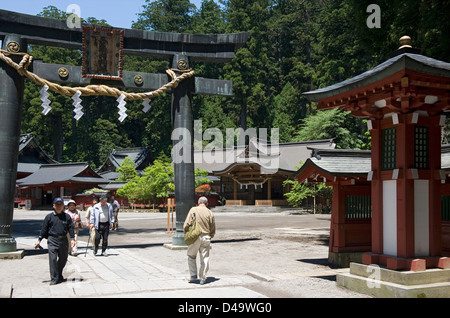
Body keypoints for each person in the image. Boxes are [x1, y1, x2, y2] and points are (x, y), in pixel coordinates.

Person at [35, 197, 76, 285]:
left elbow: (71, 228)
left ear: (63, 206)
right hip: (52, 240)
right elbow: (44, 229)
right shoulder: (49, 217)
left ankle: (58, 273)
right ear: (53, 206)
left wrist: (72, 239)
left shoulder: (67, 217)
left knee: (63, 259)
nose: (58, 206)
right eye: (57, 204)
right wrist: (39, 240)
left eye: (60, 204)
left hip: (64, 240)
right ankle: (54, 278)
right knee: (53, 259)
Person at [183, 196, 216, 285]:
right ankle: (203, 278)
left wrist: (187, 232)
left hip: (195, 237)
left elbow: (186, 224)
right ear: (207, 203)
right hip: (206, 237)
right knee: (205, 258)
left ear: (198, 203)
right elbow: (212, 227)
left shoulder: (193, 210)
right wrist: (211, 235)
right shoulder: (210, 212)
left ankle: (193, 275)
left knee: (191, 256)